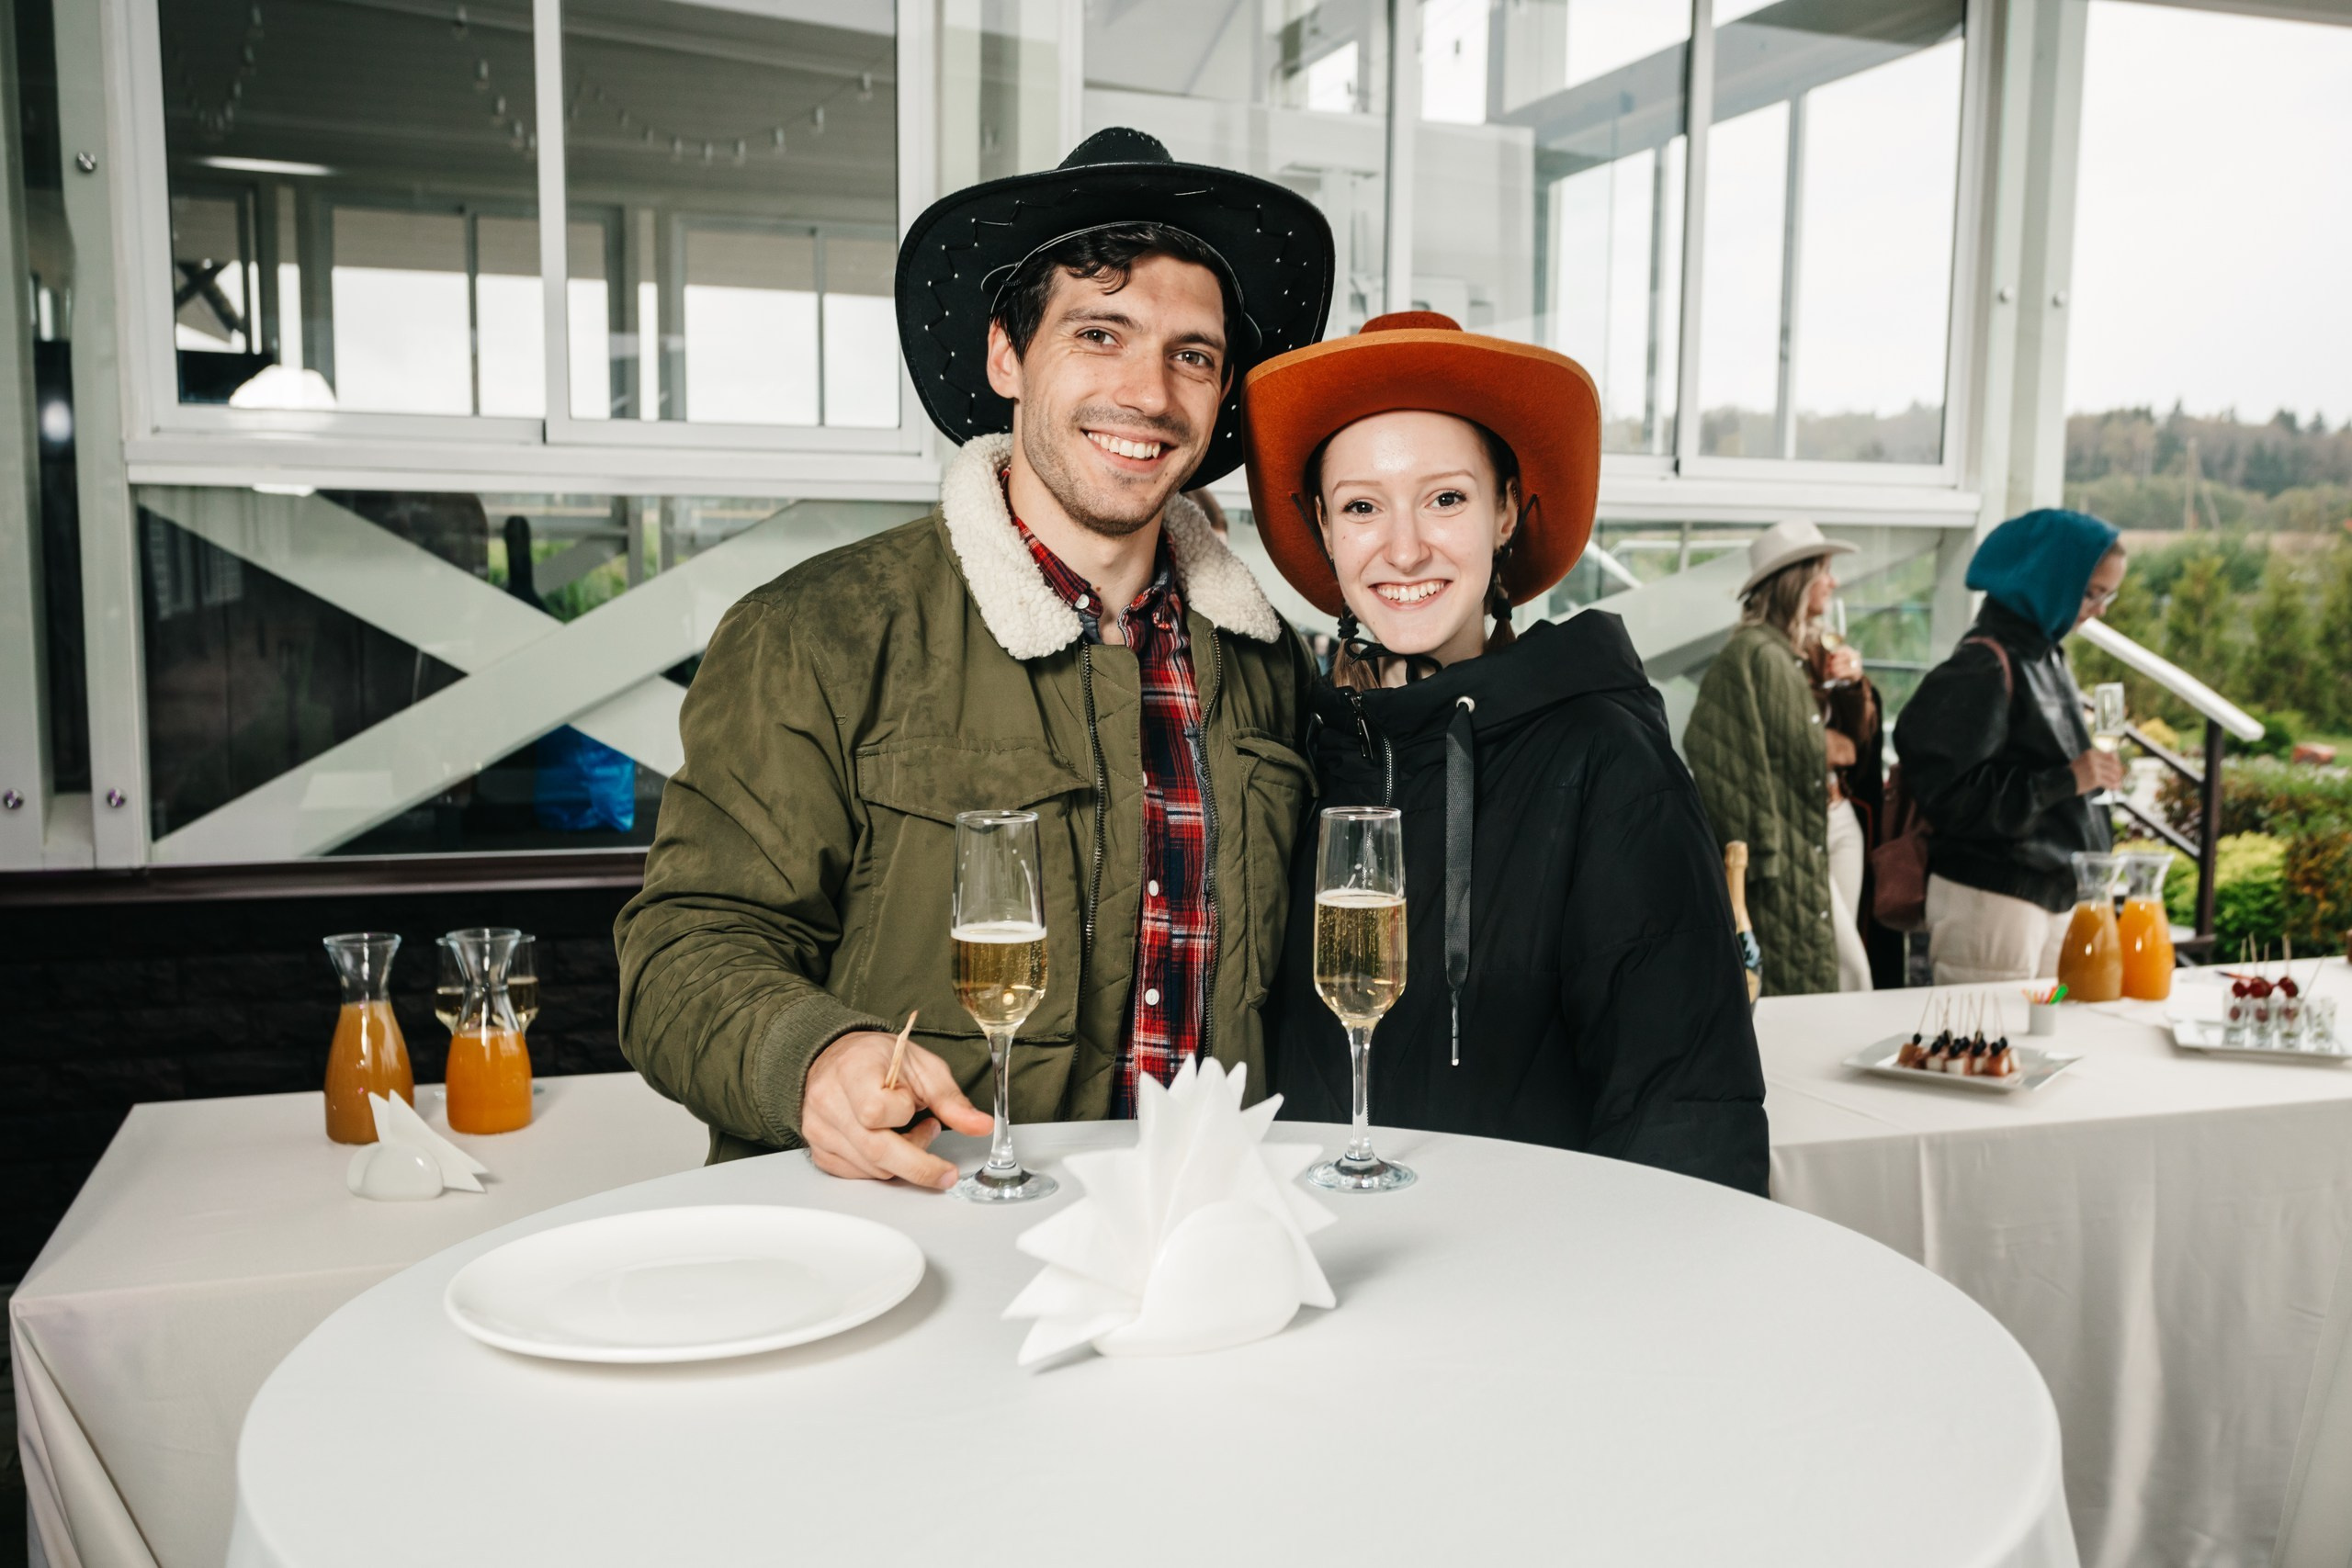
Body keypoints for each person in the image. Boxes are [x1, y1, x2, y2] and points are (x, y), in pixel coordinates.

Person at [613, 130, 1337, 1185]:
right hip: (916, 1233)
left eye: (1193, 354)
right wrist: (811, 1059)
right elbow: (683, 949)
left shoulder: (1265, 664)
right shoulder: (820, 630)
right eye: (1100, 333)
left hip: (1191, 1245)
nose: (1149, 393)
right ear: (1008, 354)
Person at [1246, 312, 1767, 1195]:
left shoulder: (1603, 756)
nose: (1403, 547)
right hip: (1318, 1272)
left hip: (1527, 1286)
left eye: (1445, 497)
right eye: (1363, 505)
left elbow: (1685, 1106)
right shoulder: (1303, 749)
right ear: (1325, 531)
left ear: (1503, 511)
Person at [1894, 509, 2128, 985]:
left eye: (2109, 595)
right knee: (1985, 1048)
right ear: (2049, 581)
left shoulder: (2043, 654)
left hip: (2043, 902)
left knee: (2044, 1042)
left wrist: (2081, 779)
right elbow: (1950, 799)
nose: (2099, 609)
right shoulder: (1983, 664)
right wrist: (2069, 779)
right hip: (1993, 908)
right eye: (2090, 593)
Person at [1684, 520, 1875, 996]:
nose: (1832, 582)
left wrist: (1855, 685)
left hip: (1833, 824)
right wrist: (1762, 851)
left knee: (1835, 961)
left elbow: (1859, 743)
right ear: (1797, 579)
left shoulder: (1804, 651)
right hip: (1792, 836)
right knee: (1849, 970)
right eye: (1823, 571)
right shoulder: (1752, 656)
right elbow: (1719, 753)